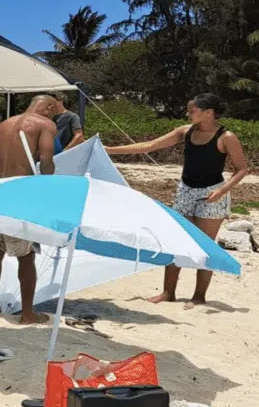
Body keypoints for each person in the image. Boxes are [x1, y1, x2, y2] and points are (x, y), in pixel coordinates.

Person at [107, 93, 250, 305]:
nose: (187, 113)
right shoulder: (185, 131)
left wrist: (221, 191)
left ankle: (199, 296)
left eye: (192, 110)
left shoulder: (226, 137)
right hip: (185, 191)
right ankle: (168, 292)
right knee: (174, 241)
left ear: (208, 113)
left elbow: (242, 169)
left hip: (212, 193)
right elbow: (149, 145)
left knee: (204, 246)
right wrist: (110, 150)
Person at [0, 95, 60, 324]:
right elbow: (46, 159)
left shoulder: (5, 124)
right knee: (26, 254)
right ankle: (28, 313)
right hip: (20, 190)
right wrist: (49, 184)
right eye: (54, 111)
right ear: (48, 108)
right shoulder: (46, 124)